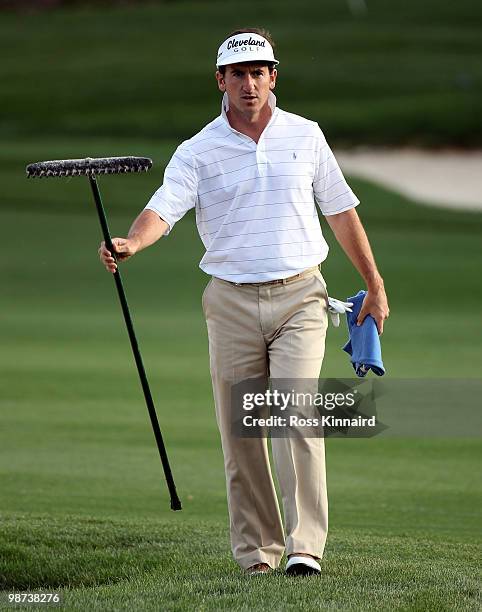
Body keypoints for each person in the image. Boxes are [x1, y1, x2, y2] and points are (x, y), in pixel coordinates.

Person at [99, 28, 389, 576]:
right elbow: (164, 208)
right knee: (243, 433)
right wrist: (132, 241)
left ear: (273, 76)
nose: (250, 83)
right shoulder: (198, 150)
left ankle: (305, 548)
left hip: (301, 294)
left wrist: (373, 283)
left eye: (259, 72)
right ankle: (258, 555)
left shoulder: (305, 136)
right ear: (221, 80)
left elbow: (341, 210)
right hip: (229, 302)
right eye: (239, 74)